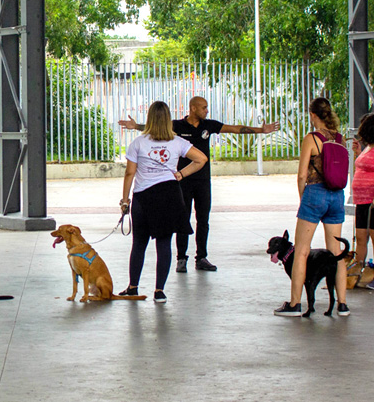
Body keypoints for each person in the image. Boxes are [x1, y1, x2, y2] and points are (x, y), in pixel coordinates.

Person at [120, 96, 280, 272]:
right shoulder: (177, 126)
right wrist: (136, 126)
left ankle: (201, 257)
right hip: (181, 181)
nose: (206, 110)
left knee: (203, 219)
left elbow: (234, 129)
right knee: (183, 219)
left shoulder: (208, 125)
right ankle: (181, 258)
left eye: (207, 107)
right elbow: (157, 126)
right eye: (203, 108)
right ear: (193, 108)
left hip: (202, 180)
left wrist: (261, 130)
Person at [118, 101, 207, 303]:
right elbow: (201, 159)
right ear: (168, 120)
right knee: (164, 243)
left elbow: (129, 172)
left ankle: (133, 287)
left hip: (143, 197)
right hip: (169, 195)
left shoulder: (138, 143)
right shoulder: (177, 142)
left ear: (149, 118)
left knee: (139, 243)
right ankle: (159, 291)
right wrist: (181, 174)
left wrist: (125, 201)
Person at [274, 97, 349, 316]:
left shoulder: (312, 138)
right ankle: (342, 305)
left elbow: (302, 174)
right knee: (336, 251)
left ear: (313, 115)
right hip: (337, 196)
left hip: (315, 194)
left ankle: (295, 304)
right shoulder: (339, 139)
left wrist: (303, 198)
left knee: (302, 251)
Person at [352, 114, 374, 289]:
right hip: (362, 200)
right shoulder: (368, 148)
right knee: (361, 237)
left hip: (372, 200)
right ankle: (357, 272)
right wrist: (358, 153)